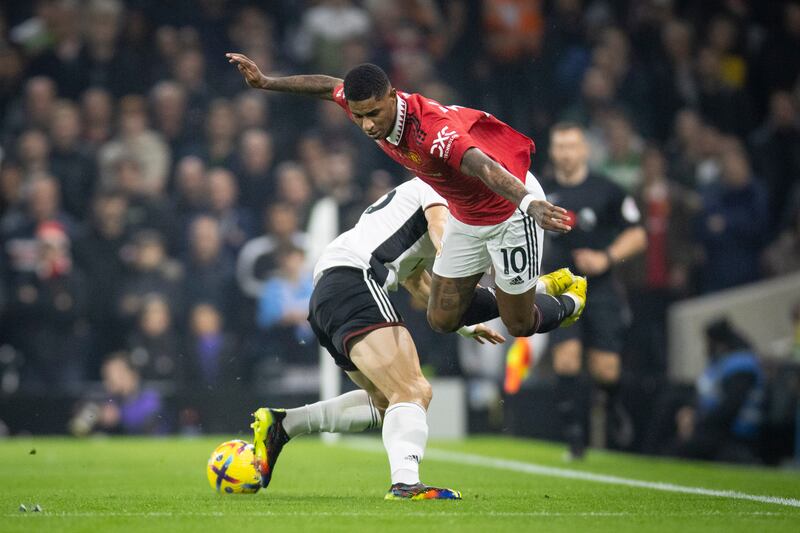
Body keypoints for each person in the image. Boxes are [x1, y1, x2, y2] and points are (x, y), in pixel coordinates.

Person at [248, 178, 583, 500]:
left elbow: (418, 284)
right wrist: (480, 275)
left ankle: (285, 424)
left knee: (387, 401)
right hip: (353, 280)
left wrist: (464, 325)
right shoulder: (438, 186)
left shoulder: (411, 207)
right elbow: (442, 239)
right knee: (413, 390)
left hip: (331, 293)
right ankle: (406, 484)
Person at [226, 53, 580, 344]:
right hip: (467, 215)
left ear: (392, 95)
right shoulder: (361, 103)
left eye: (373, 114)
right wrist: (266, 82)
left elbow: (484, 167)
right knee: (441, 319)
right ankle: (527, 289)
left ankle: (569, 302)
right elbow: (328, 85)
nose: (366, 125)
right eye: (359, 115)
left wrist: (528, 202)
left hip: (509, 208)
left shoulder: (433, 131)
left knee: (519, 324)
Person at [541, 122, 647, 458]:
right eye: (559, 146)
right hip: (560, 288)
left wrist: (606, 258)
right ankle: (574, 440)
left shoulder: (608, 190)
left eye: (571, 146)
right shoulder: (539, 193)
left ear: (585, 150)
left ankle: (614, 405)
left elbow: (638, 235)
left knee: (605, 369)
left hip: (599, 289)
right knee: (567, 361)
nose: (566, 153)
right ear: (552, 151)